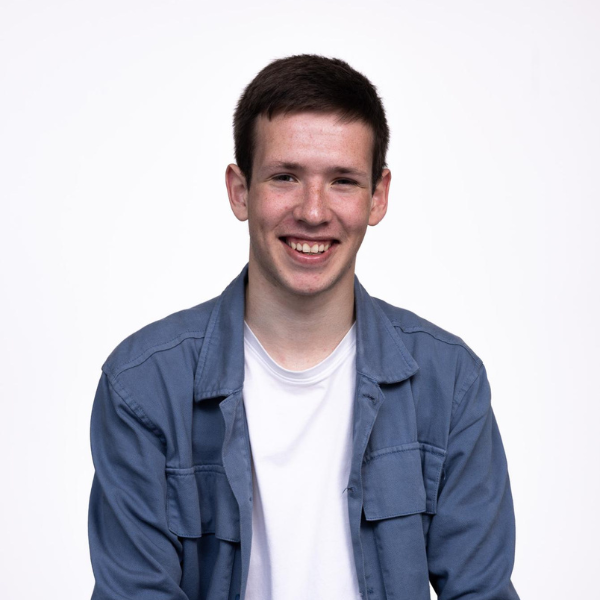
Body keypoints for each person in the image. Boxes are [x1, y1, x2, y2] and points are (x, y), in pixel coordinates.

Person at [88, 55, 520, 600]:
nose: (313, 212)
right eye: (285, 177)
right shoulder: (143, 386)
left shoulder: (449, 382)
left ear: (378, 196)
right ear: (240, 190)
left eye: (343, 181)